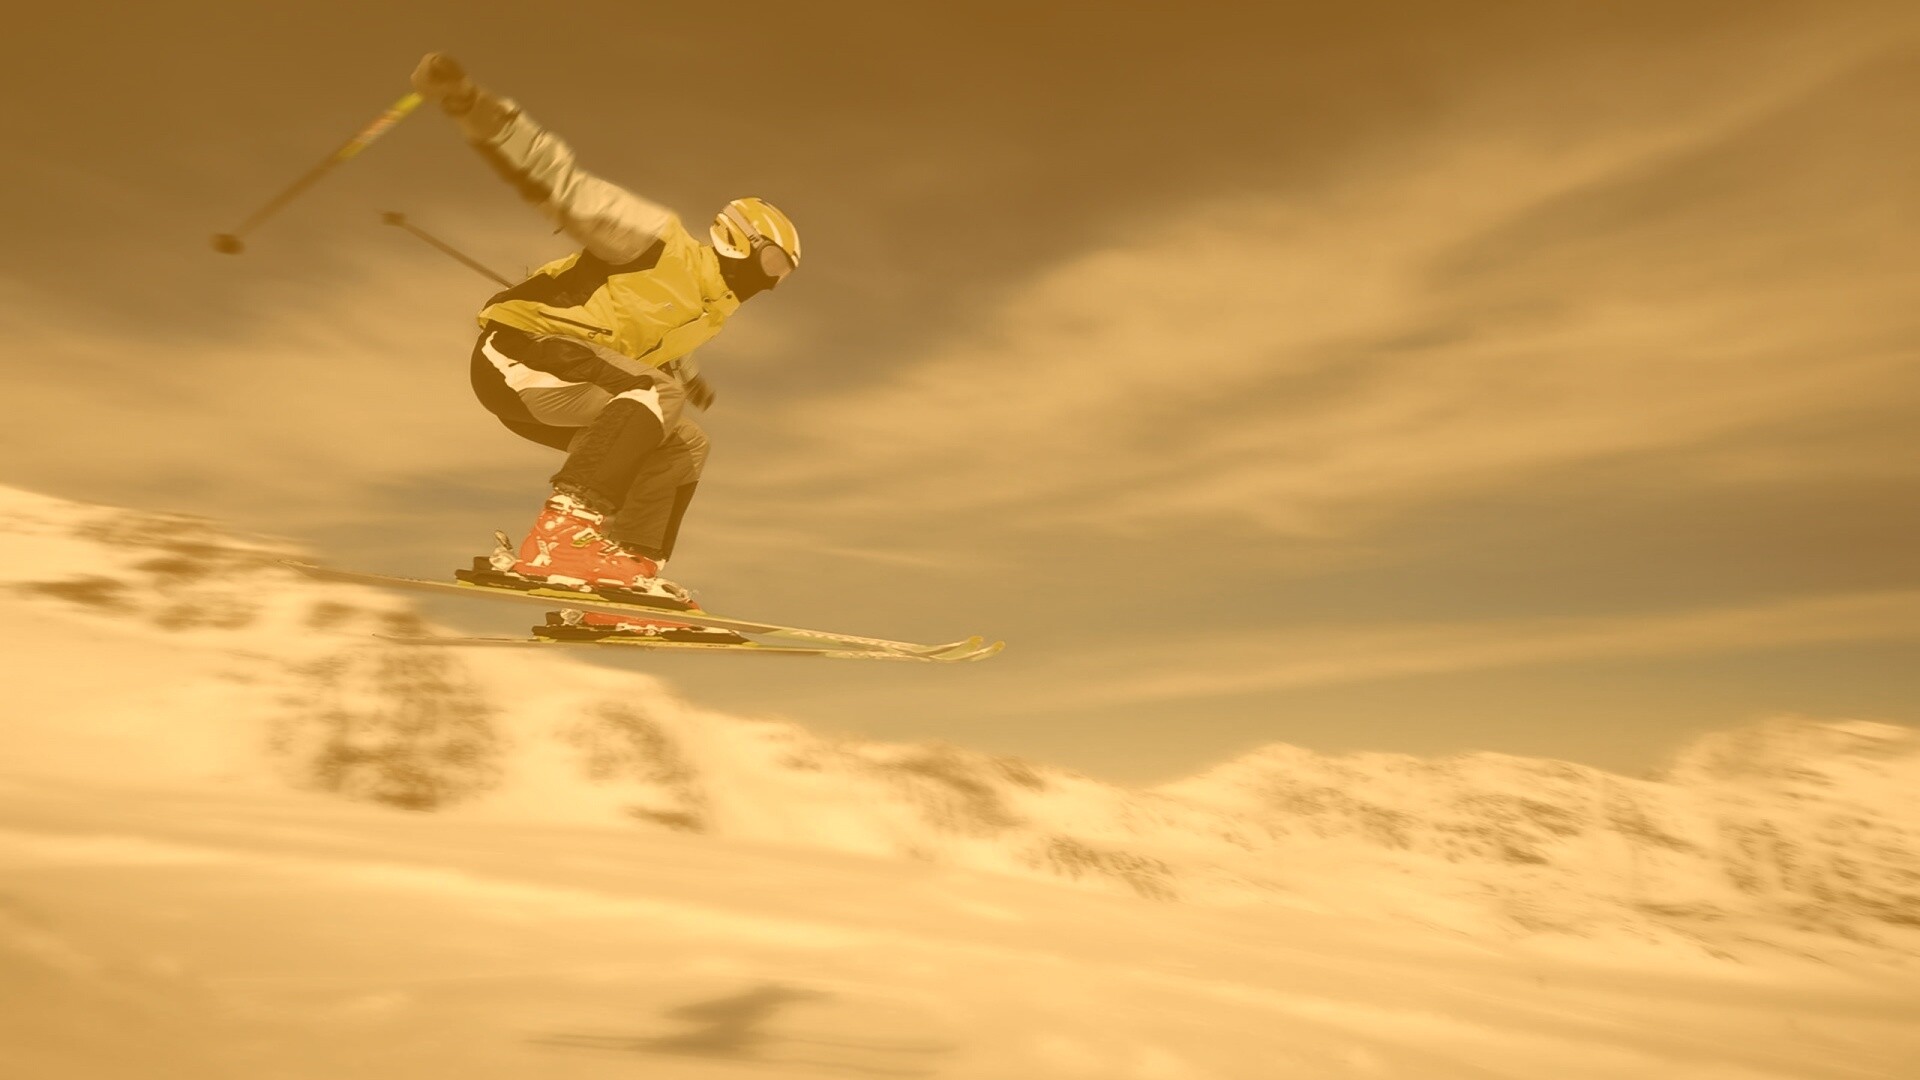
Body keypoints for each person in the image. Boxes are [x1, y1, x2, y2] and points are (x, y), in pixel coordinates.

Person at [408, 54, 799, 631]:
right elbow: (558, 180)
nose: (772, 281)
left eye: (784, 274)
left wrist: (688, 374)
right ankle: (561, 537)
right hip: (520, 352)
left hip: (574, 387)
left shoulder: (709, 311)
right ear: (737, 241)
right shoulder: (655, 241)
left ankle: (622, 574)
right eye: (772, 263)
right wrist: (472, 106)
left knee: (685, 442)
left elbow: (655, 337)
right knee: (655, 392)